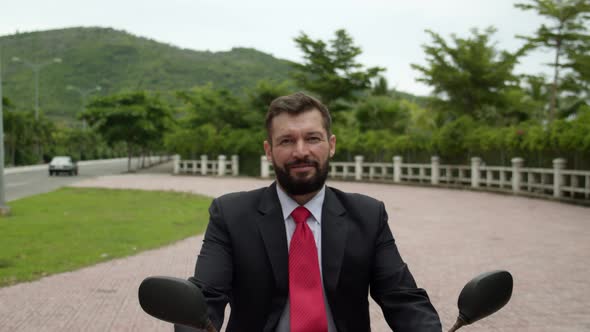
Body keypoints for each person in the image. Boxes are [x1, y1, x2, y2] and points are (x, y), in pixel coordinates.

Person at [183, 92, 442, 332]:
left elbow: (403, 298)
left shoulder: (368, 215)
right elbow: (204, 298)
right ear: (269, 152)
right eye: (286, 140)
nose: (301, 151)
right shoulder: (231, 215)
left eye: (312, 138)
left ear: (331, 145)